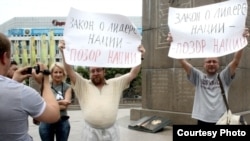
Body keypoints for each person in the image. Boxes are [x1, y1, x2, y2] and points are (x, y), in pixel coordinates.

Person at [58, 40, 145, 141]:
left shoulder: (115, 83)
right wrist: (63, 52)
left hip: (112, 132)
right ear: (89, 73)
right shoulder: (83, 84)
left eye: (98, 70)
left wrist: (140, 56)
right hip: (90, 133)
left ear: (104, 72)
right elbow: (69, 70)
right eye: (92, 71)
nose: (95, 73)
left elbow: (132, 73)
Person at [167, 28, 249, 125]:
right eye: (208, 61)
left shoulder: (224, 77)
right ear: (204, 64)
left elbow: (235, 61)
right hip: (202, 119)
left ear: (218, 64)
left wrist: (242, 41)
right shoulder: (198, 77)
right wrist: (173, 44)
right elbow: (182, 62)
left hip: (221, 119)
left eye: (214, 61)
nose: (211, 64)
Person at [0, 32, 60, 141]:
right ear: (4, 57)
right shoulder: (21, 92)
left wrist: (13, 82)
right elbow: (54, 114)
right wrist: (45, 81)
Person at [39, 62, 72, 141]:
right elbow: (44, 105)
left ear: (63, 74)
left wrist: (50, 106)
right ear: (51, 73)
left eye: (60, 72)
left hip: (62, 120)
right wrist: (60, 102)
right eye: (55, 72)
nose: (58, 74)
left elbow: (65, 106)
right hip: (46, 121)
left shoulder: (68, 87)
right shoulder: (46, 86)